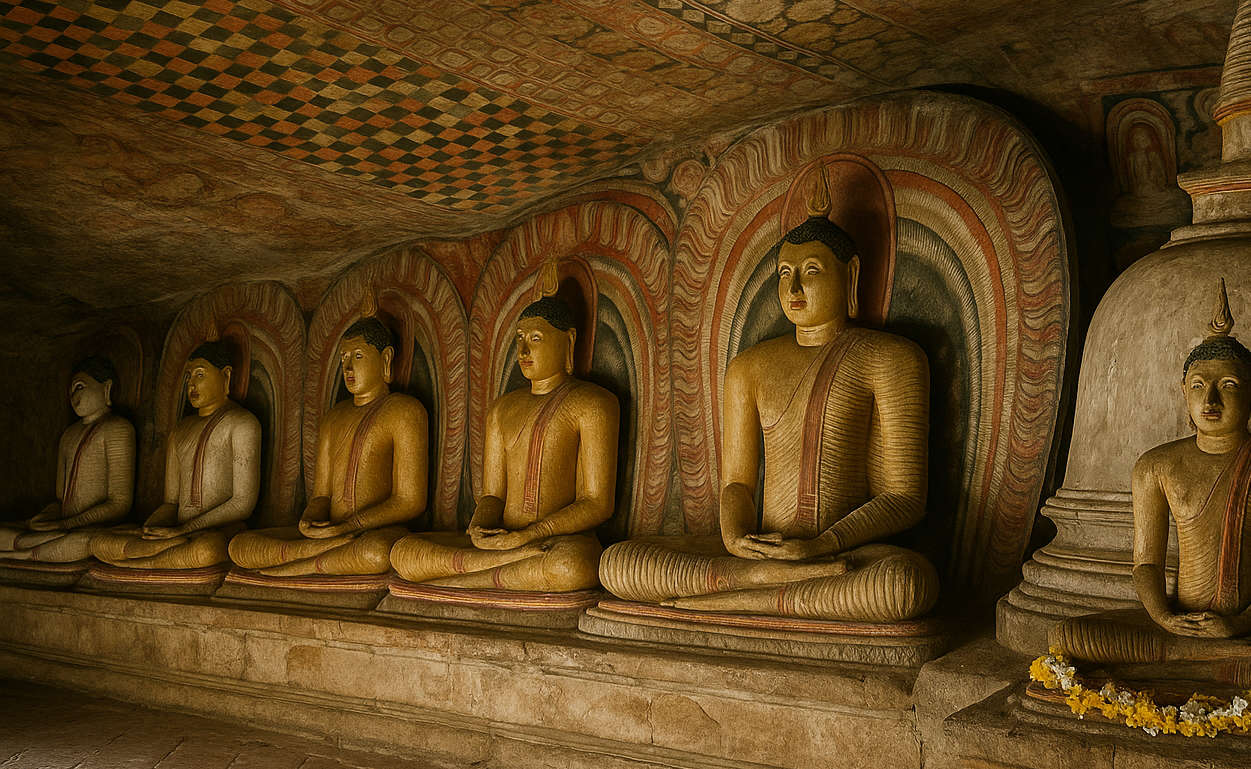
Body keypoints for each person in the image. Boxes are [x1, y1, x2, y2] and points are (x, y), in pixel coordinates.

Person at [601, 199, 939, 622]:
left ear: (850, 275)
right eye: (785, 274)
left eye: (811, 271)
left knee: (904, 584)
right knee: (618, 563)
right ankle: (768, 587)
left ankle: (734, 598)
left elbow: (904, 497)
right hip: (766, 557)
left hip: (844, 554)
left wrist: (821, 546)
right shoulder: (748, 368)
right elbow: (738, 485)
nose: (794, 289)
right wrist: (736, 537)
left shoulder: (891, 358)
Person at [1048, 281, 1251, 688]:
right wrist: (1165, 618)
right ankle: (1217, 662)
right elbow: (1146, 563)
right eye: (1198, 385)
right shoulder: (1156, 465)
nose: (1211, 400)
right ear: (1182, 394)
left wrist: (1243, 622)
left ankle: (1201, 661)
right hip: (1177, 627)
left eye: (1228, 386)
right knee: (1065, 636)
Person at [390, 289, 618, 592]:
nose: (522, 351)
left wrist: (531, 534)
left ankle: (462, 581)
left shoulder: (593, 403)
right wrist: (481, 526)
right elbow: (493, 495)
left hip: (554, 543)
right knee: (402, 552)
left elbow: (597, 503)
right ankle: (495, 575)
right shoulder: (501, 409)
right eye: (519, 339)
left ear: (569, 340)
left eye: (535, 339)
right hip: (505, 545)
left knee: (574, 566)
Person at [229, 318, 426, 575]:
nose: (347, 367)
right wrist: (310, 521)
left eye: (357, 356)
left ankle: (297, 566)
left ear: (386, 359)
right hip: (335, 536)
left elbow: (410, 501)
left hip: (373, 533)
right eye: (343, 358)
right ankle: (313, 558)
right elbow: (321, 495)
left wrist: (352, 524)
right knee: (238, 546)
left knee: (377, 553)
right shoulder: (333, 417)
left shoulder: (405, 411)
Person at [91, 340, 260, 569]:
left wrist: (186, 529)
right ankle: (156, 559)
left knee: (207, 550)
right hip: (178, 533)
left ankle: (143, 563)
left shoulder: (243, 423)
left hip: (218, 530)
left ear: (226, 376)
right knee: (98, 542)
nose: (191, 384)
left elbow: (242, 503)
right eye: (188, 377)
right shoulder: (179, 430)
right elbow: (171, 502)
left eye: (199, 375)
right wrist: (153, 528)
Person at [0, 357, 136, 564]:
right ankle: (31, 550)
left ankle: (21, 555)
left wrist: (68, 524)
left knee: (86, 541)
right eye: (71, 391)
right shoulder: (68, 435)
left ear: (106, 388)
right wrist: (45, 517)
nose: (73, 396)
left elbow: (120, 503)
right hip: (60, 530)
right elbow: (60, 499)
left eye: (80, 387)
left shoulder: (118, 429)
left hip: (90, 529)